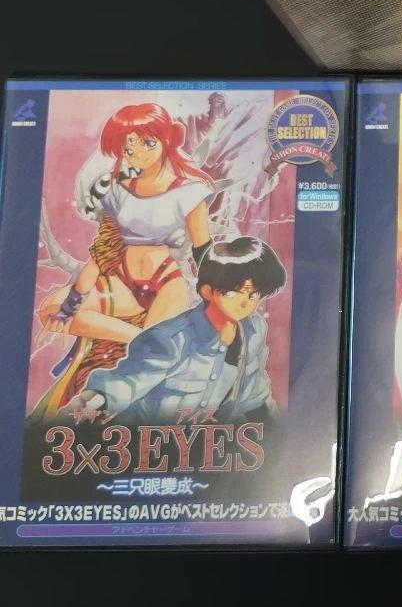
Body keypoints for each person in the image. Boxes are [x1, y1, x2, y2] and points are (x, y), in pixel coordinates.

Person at [33, 103, 216, 415]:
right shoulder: (117, 191)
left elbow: (203, 251)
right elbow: (101, 252)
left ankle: (146, 347)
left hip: (165, 283)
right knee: (52, 309)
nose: (137, 153)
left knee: (152, 358)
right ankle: (139, 337)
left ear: (166, 141)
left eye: (147, 143)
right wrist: (72, 303)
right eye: (129, 146)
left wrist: (214, 295)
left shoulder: (190, 191)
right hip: (121, 280)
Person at [63, 236, 286, 423]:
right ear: (207, 291)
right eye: (232, 293)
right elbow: (128, 381)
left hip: (208, 447)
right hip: (149, 444)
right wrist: (94, 400)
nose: (245, 303)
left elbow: (253, 394)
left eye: (254, 294)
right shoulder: (171, 338)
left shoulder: (253, 330)